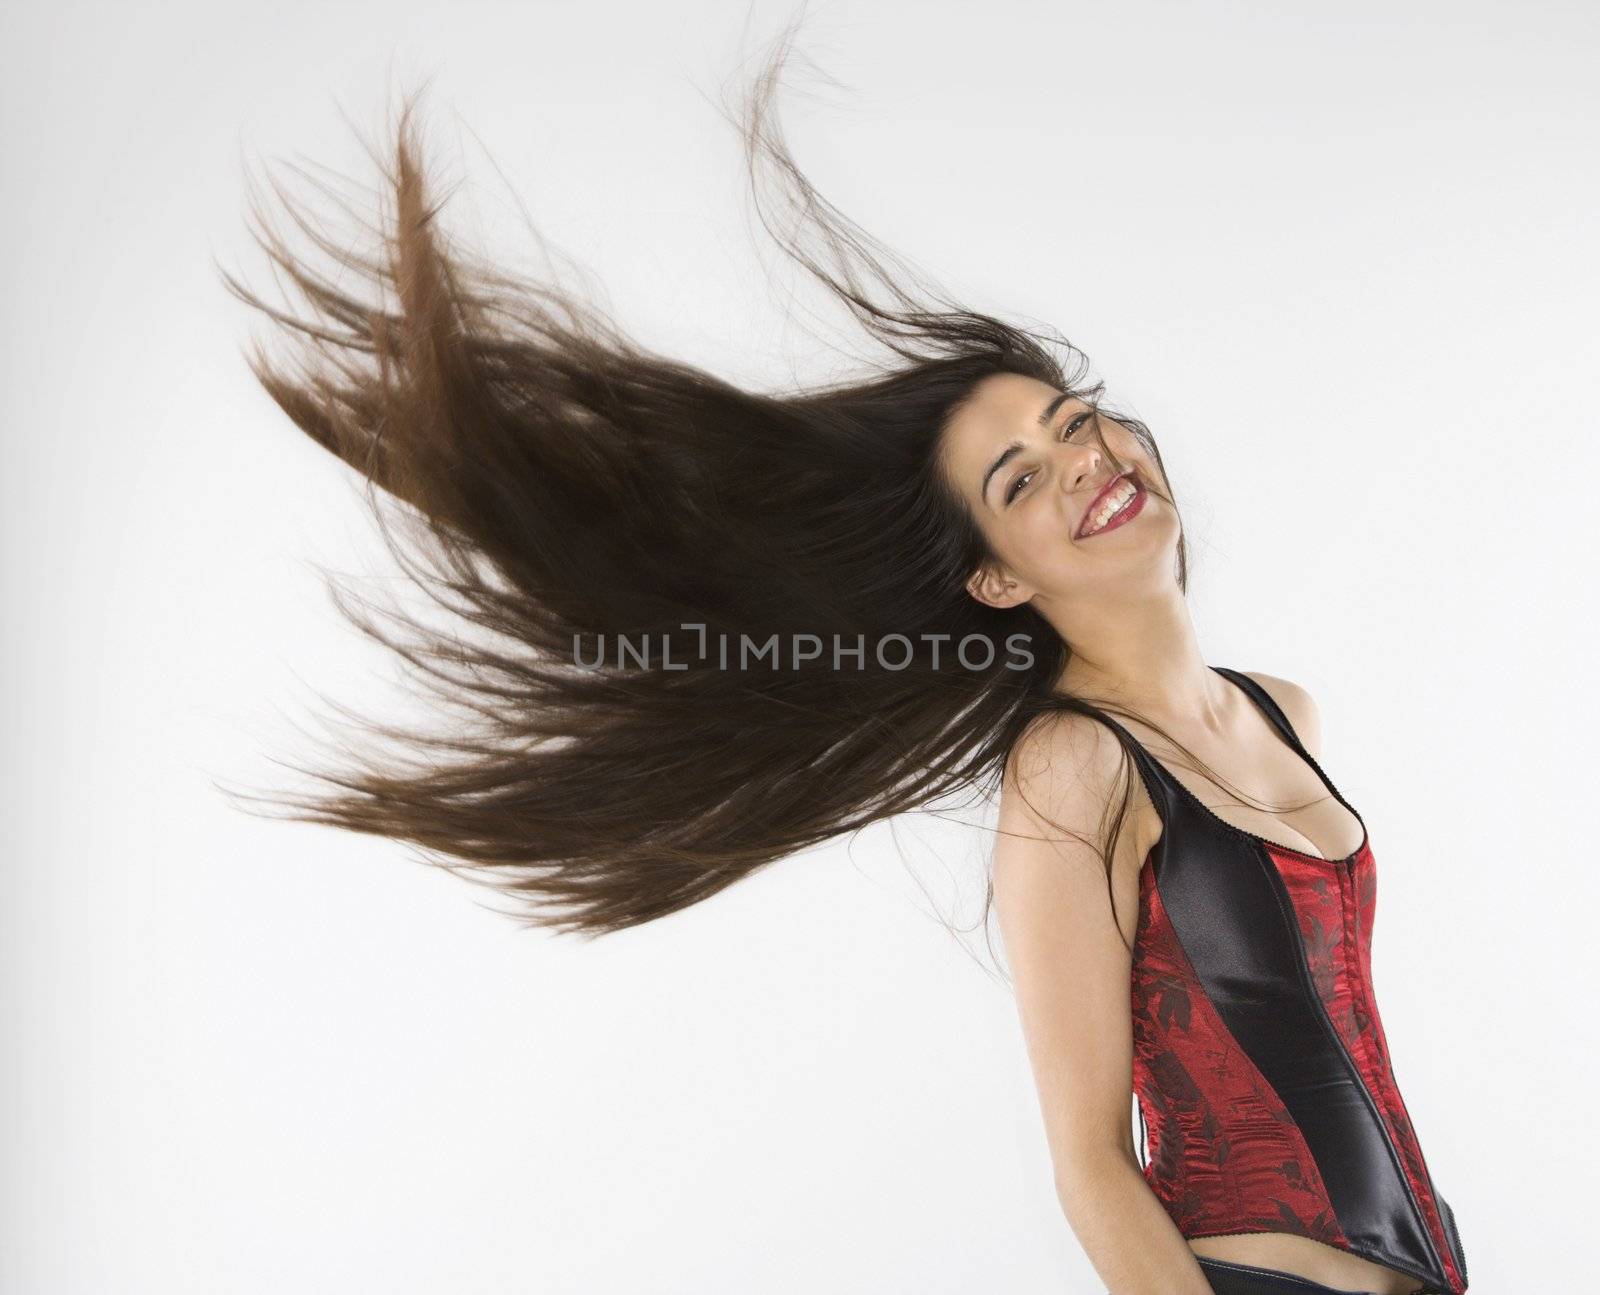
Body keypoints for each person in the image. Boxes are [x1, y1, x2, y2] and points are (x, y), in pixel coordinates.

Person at [216, 22, 1468, 1295]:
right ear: (996, 576)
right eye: (1021, 478)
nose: (1086, 459)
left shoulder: (1285, 709)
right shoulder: (1070, 766)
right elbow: (1090, 1164)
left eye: (1075, 420)